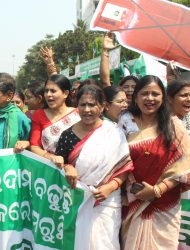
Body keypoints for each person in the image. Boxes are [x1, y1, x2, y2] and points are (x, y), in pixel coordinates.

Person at [55, 84, 133, 250]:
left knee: (105, 243)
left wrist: (109, 187)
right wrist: (67, 168)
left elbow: (124, 168)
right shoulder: (67, 135)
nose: (87, 109)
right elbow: (58, 167)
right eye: (83, 104)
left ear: (102, 106)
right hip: (75, 200)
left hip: (107, 200)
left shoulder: (113, 132)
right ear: (77, 106)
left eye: (92, 105)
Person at [118, 75, 190, 249]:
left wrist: (156, 190)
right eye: (144, 94)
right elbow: (117, 161)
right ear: (135, 97)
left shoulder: (173, 125)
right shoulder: (126, 123)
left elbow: (185, 165)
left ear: (163, 98)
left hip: (165, 204)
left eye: (155, 94)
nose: (150, 98)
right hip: (133, 200)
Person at [30, 74, 80, 160]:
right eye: (46, 91)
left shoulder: (77, 114)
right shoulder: (39, 115)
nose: (48, 94)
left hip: (77, 167)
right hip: (51, 167)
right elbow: (34, 147)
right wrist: (51, 157)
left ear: (65, 93)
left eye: (53, 91)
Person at [99, 32, 138, 103]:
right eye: (126, 87)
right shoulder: (116, 109)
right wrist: (105, 51)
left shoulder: (143, 109)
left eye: (133, 87)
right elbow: (105, 82)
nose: (130, 90)